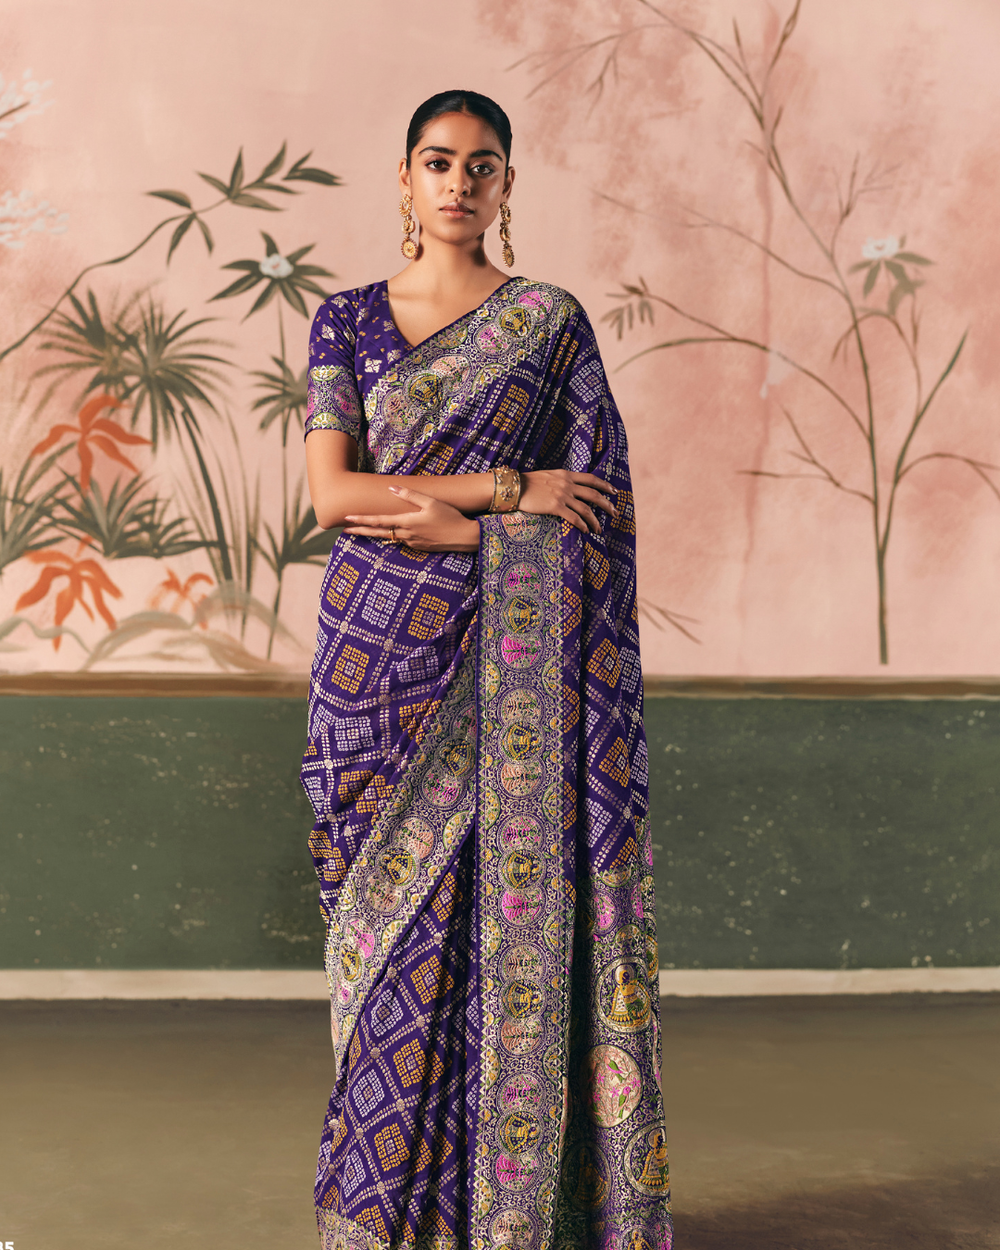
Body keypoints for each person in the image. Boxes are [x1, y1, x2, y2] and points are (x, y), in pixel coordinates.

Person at [300, 88, 672, 1250]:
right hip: (372, 663)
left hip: (504, 659)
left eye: (481, 165)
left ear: (507, 184)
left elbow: (599, 518)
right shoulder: (345, 320)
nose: (458, 183)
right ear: (403, 179)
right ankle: (391, 1214)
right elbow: (333, 494)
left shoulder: (549, 325)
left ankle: (506, 1211)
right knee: (384, 937)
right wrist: (504, 493)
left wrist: (472, 539)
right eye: (437, 161)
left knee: (497, 923)